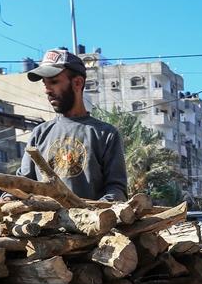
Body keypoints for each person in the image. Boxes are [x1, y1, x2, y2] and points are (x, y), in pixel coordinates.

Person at [18, 48, 127, 201]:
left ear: (77, 83)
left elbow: (117, 189)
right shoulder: (39, 134)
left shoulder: (105, 134)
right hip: (45, 223)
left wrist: (93, 214)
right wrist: (9, 197)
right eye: (45, 84)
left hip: (91, 223)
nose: (47, 90)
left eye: (54, 82)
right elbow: (23, 183)